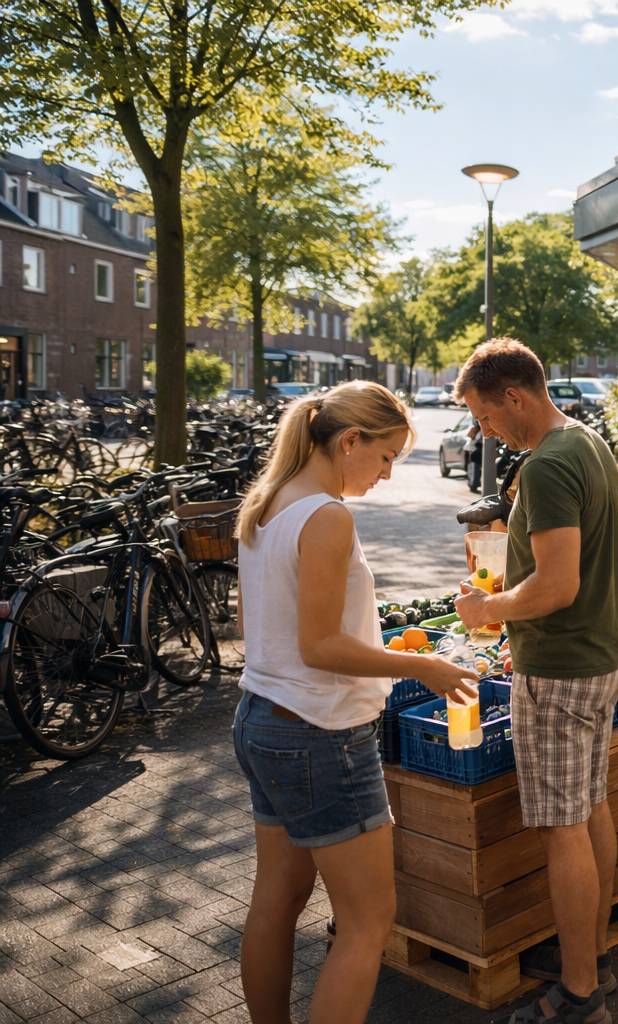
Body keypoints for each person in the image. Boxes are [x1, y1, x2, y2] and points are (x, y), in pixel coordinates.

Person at [232, 382, 479, 1024]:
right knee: (368, 921)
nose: (388, 474)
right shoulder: (327, 515)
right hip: (320, 731)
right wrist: (419, 664)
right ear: (349, 442)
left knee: (276, 900)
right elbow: (319, 645)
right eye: (386, 456)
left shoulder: (266, 503)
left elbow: (271, 628)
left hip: (262, 717)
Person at [454, 339, 618, 1024]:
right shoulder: (585, 442)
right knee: (591, 811)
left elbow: (557, 584)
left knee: (562, 829)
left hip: (559, 666)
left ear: (515, 397)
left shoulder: (551, 464)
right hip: (603, 654)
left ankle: (579, 993)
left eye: (485, 416)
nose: (483, 430)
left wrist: (488, 608)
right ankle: (595, 955)